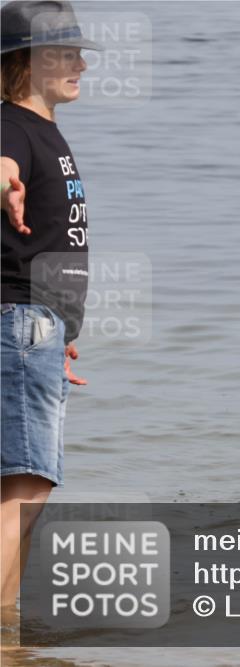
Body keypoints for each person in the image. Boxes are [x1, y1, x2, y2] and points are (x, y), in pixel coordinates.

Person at [0, 0, 100, 624]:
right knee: (26, 487)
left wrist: (60, 330)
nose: (82, 64)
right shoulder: (11, 125)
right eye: (66, 52)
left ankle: (8, 629)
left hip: (34, 329)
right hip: (20, 323)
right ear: (28, 61)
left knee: (21, 487)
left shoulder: (41, 128)